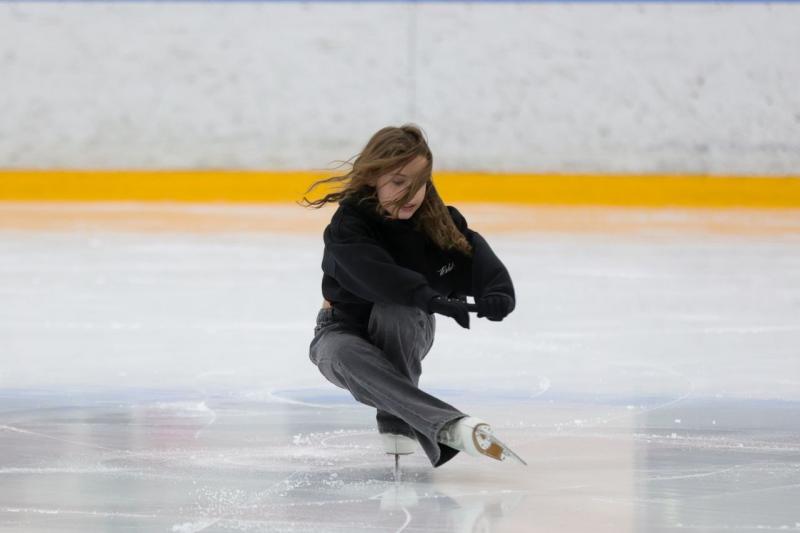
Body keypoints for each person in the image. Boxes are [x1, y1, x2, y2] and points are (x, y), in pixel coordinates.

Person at [299, 124, 518, 468]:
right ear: (373, 179)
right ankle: (446, 425)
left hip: (406, 328)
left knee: (398, 309)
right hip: (339, 329)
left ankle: (400, 416)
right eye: (399, 182)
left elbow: (471, 254)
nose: (411, 194)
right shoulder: (349, 226)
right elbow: (379, 277)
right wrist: (431, 298)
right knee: (338, 353)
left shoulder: (437, 222)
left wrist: (497, 292)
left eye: (419, 183)